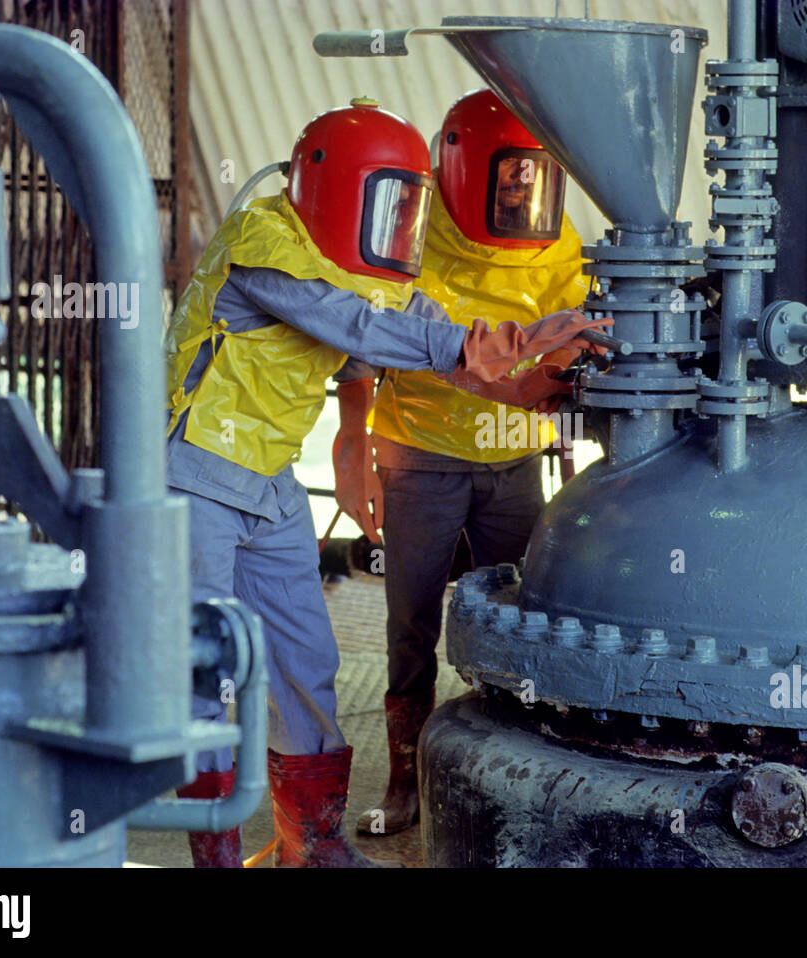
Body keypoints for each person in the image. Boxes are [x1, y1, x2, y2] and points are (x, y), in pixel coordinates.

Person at [164, 97, 606, 868]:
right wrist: (523, 338)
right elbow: (369, 332)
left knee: (306, 662)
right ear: (342, 191)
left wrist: (527, 383)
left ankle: (315, 843)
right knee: (209, 668)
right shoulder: (265, 243)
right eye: (390, 200)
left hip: (266, 485)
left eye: (410, 202)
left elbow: (436, 336)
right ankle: (214, 856)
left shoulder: (363, 265)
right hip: (194, 475)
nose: (402, 223)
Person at [333, 89, 589, 837]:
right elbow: (356, 329)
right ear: (459, 164)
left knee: (523, 617)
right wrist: (353, 448)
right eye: (507, 173)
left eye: (532, 174)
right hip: (422, 460)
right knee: (410, 623)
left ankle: (514, 775)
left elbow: (575, 332)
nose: (520, 188)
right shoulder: (409, 225)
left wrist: (562, 384)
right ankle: (406, 781)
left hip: (516, 463)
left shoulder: (556, 236)